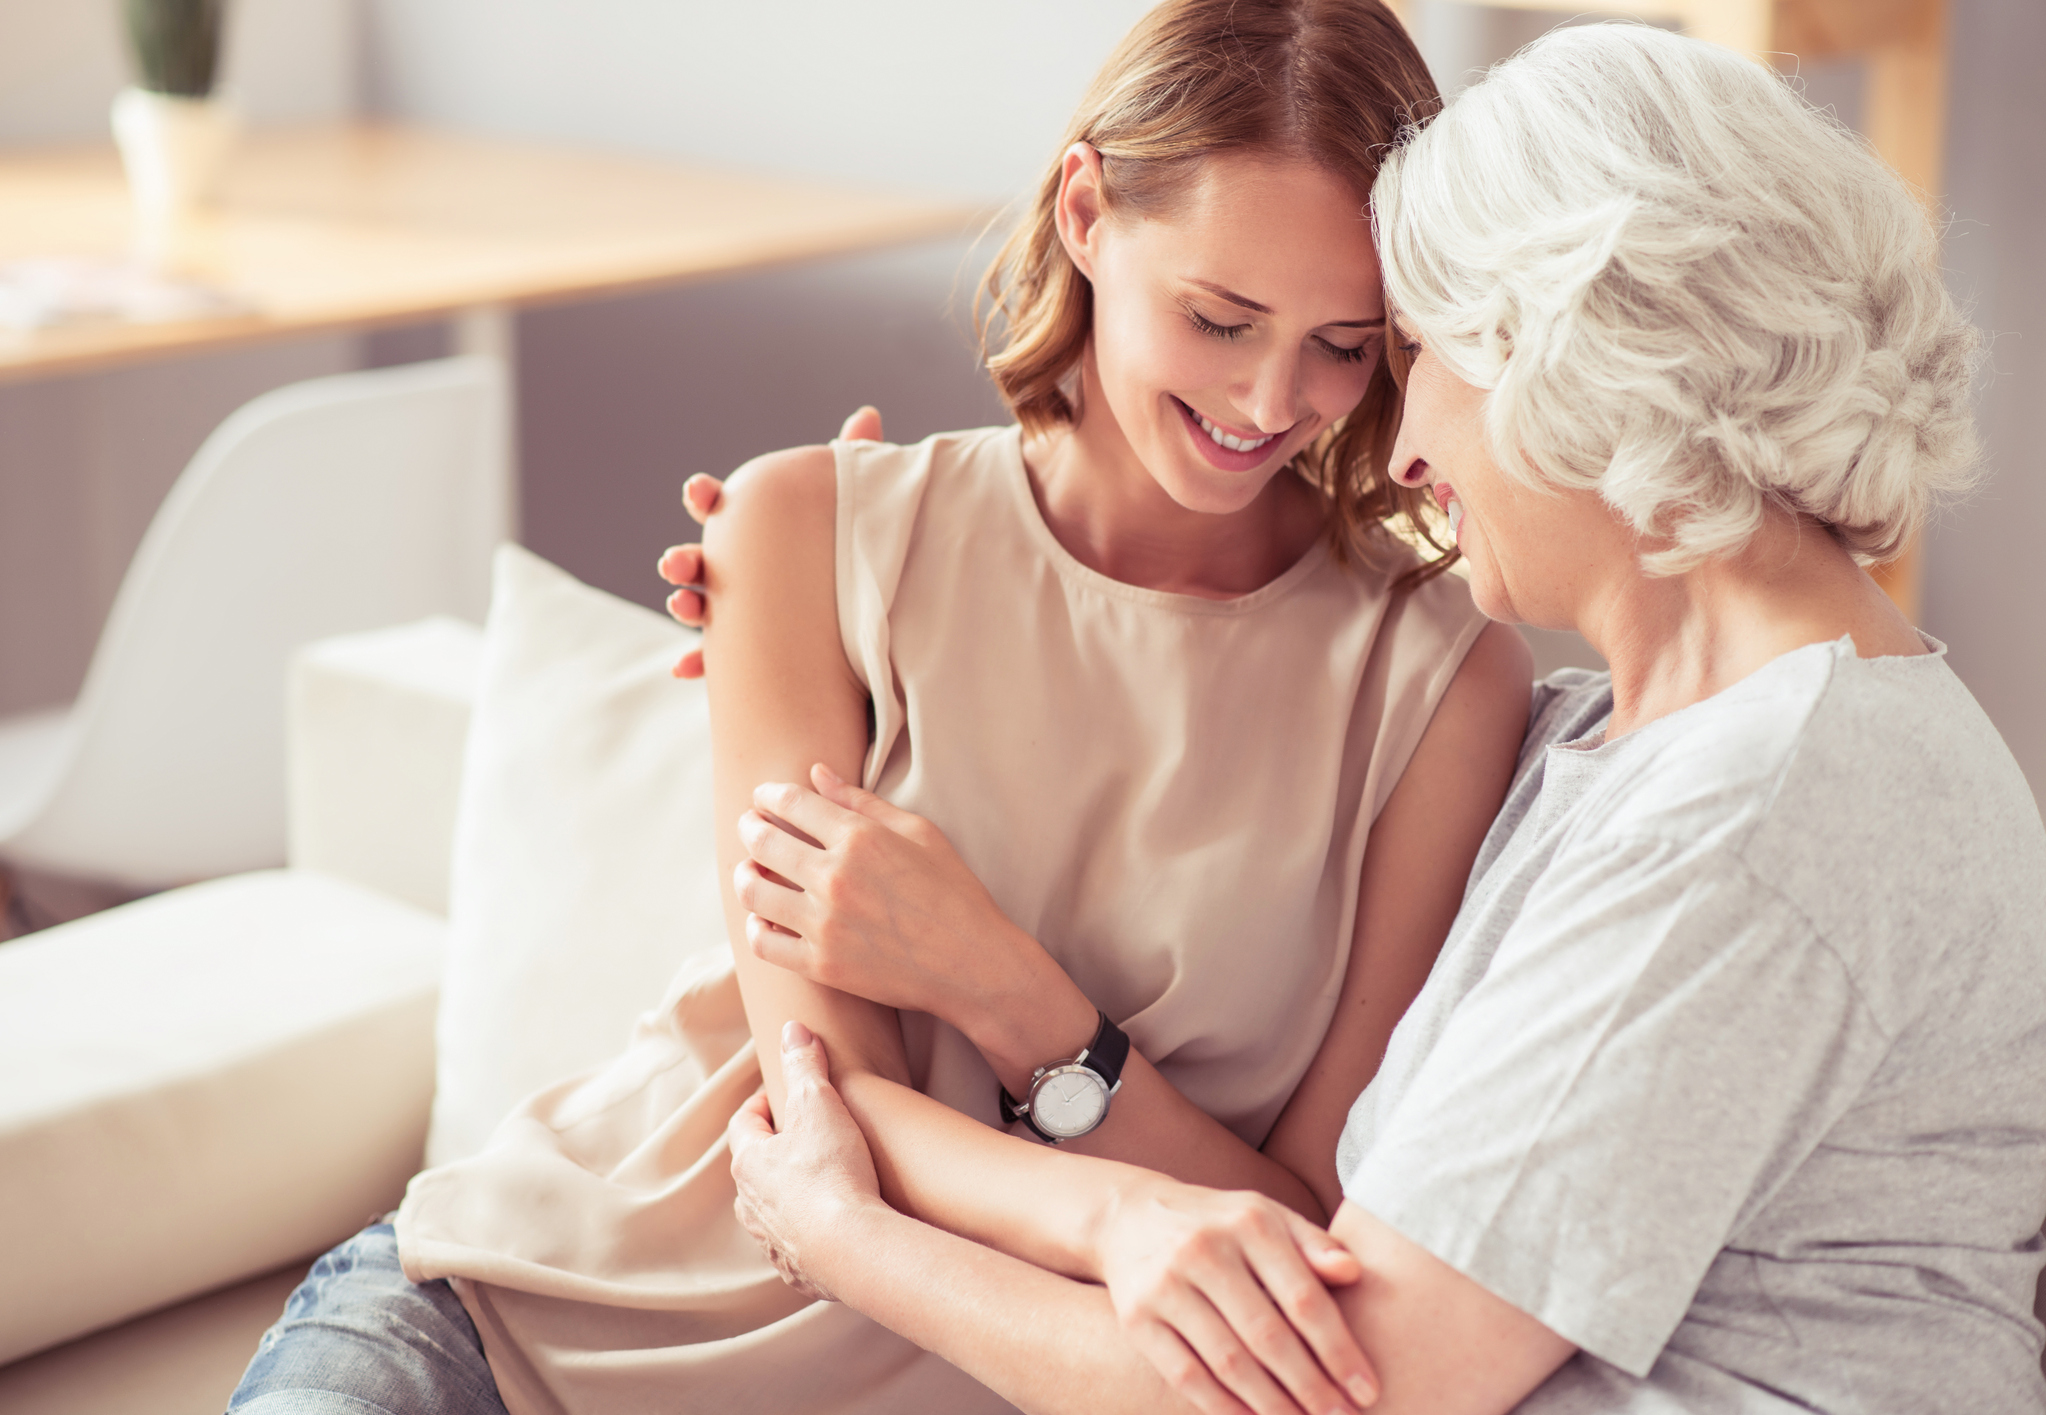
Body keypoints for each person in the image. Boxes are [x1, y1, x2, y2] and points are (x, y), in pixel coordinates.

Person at [717, 22, 2046, 1415]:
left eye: (1404, 351)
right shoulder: (1617, 749)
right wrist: (865, 588)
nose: (1402, 441)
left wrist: (844, 1236)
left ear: (1581, 360)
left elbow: (1340, 1392)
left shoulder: (1762, 812)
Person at [226, 4, 1531, 1414]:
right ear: (1087, 213)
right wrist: (1121, 1210)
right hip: (539, 1325)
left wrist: (1015, 998)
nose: (1273, 400)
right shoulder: (803, 529)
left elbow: (1302, 1234)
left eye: (1343, 343)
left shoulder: (1439, 682)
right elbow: (819, 1109)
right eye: (1220, 318)